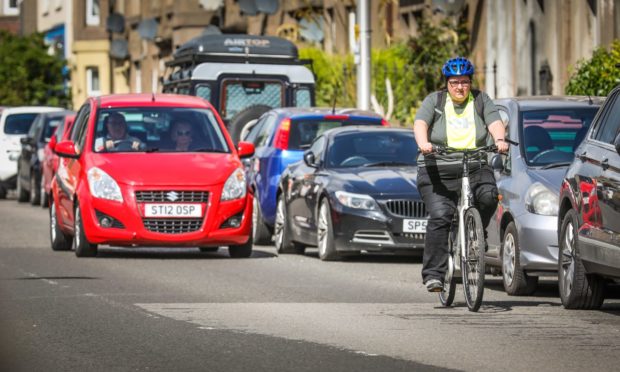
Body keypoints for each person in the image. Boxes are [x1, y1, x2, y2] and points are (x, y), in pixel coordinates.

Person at [413, 57, 509, 292]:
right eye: (454, 82)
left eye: (464, 82)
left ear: (470, 82)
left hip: (475, 164)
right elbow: (420, 124)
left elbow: (495, 121)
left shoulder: (480, 100)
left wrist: (499, 140)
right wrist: (424, 143)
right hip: (438, 170)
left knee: (488, 196)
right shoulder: (434, 101)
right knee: (440, 216)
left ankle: (477, 232)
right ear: (446, 83)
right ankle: (434, 275)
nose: (459, 87)